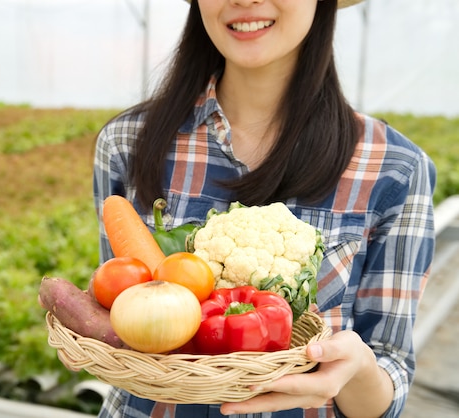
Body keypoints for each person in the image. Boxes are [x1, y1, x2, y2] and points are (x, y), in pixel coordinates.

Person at [92, 0, 436, 416]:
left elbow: (389, 372)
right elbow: (120, 317)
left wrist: (358, 368)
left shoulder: (395, 169)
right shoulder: (126, 143)